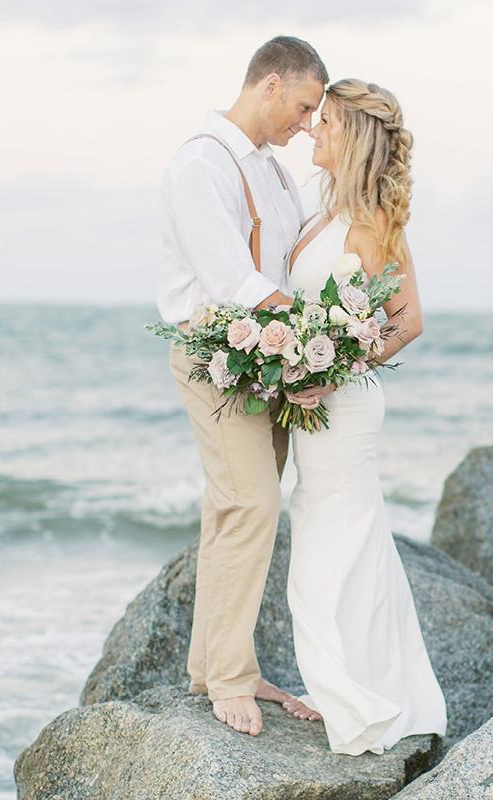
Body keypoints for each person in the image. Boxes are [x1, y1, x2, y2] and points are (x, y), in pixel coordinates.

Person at [157, 36, 328, 737]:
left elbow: (287, 262)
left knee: (233, 509)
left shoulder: (274, 172)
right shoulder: (203, 162)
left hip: (265, 360)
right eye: (303, 106)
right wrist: (320, 332)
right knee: (251, 503)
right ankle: (228, 678)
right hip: (216, 360)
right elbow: (233, 279)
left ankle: (217, 663)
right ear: (270, 84)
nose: (307, 123)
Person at [283, 78, 448, 755]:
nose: (313, 131)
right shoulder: (324, 215)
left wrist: (333, 369)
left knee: (334, 550)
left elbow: (407, 321)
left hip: (344, 412)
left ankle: (356, 701)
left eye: (325, 122)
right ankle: (365, 689)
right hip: (317, 414)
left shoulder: (372, 221)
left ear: (352, 135)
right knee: (346, 545)